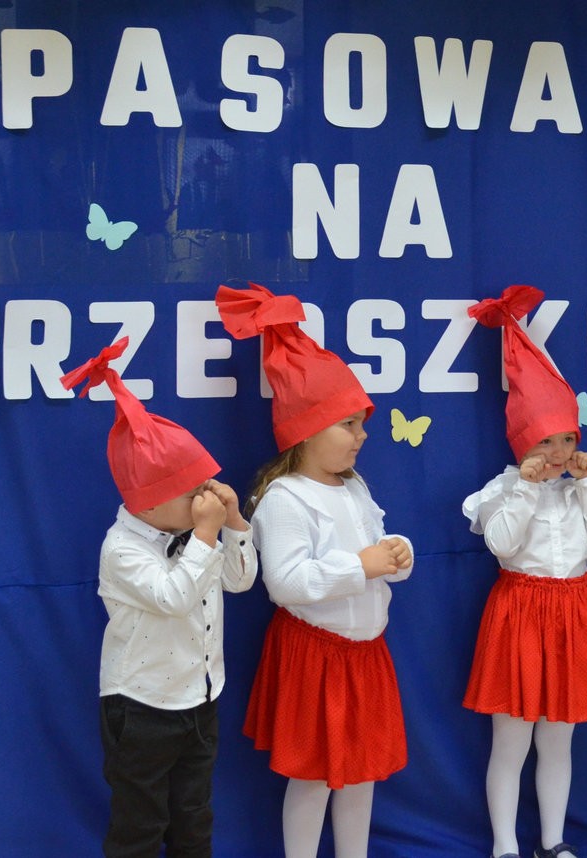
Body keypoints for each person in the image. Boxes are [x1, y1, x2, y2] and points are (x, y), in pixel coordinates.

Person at [216, 283, 415, 858]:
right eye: (349, 424)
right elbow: (284, 583)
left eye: (362, 423)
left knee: (361, 774)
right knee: (311, 779)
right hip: (315, 658)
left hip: (365, 655)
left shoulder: (354, 487)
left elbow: (378, 545)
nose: (363, 435)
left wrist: (396, 554)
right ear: (307, 430)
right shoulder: (284, 498)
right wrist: (361, 566)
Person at [61, 336, 258, 858]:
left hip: (200, 699)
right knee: (140, 826)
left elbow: (239, 581)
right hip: (141, 708)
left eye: (205, 484)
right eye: (192, 491)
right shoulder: (122, 549)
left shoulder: (199, 533)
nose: (204, 497)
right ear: (147, 504)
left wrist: (234, 523)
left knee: (194, 817)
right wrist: (207, 535)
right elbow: (173, 596)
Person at [462, 285, 587, 858]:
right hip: (520, 614)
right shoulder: (502, 490)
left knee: (559, 741)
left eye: (567, 438)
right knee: (511, 741)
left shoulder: (583, 488)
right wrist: (526, 490)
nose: (557, 451)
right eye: (545, 440)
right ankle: (505, 846)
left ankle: (553, 842)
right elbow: (502, 544)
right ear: (523, 441)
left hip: (574, 613)